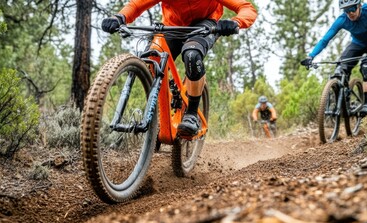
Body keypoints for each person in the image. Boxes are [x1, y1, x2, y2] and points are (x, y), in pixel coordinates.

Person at [101, 1, 257, 137]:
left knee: (192, 55)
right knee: (152, 59)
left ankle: (191, 113)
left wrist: (236, 22)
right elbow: (136, 5)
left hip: (204, 25)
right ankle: (163, 110)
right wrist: (119, 17)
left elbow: (246, 7)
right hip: (172, 26)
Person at [300, 0, 367, 117]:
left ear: (359, 5)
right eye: (346, 10)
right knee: (340, 68)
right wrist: (311, 56)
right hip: (358, 44)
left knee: (366, 67)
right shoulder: (342, 20)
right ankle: (345, 98)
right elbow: (325, 40)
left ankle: (366, 104)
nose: (350, 13)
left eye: (352, 9)